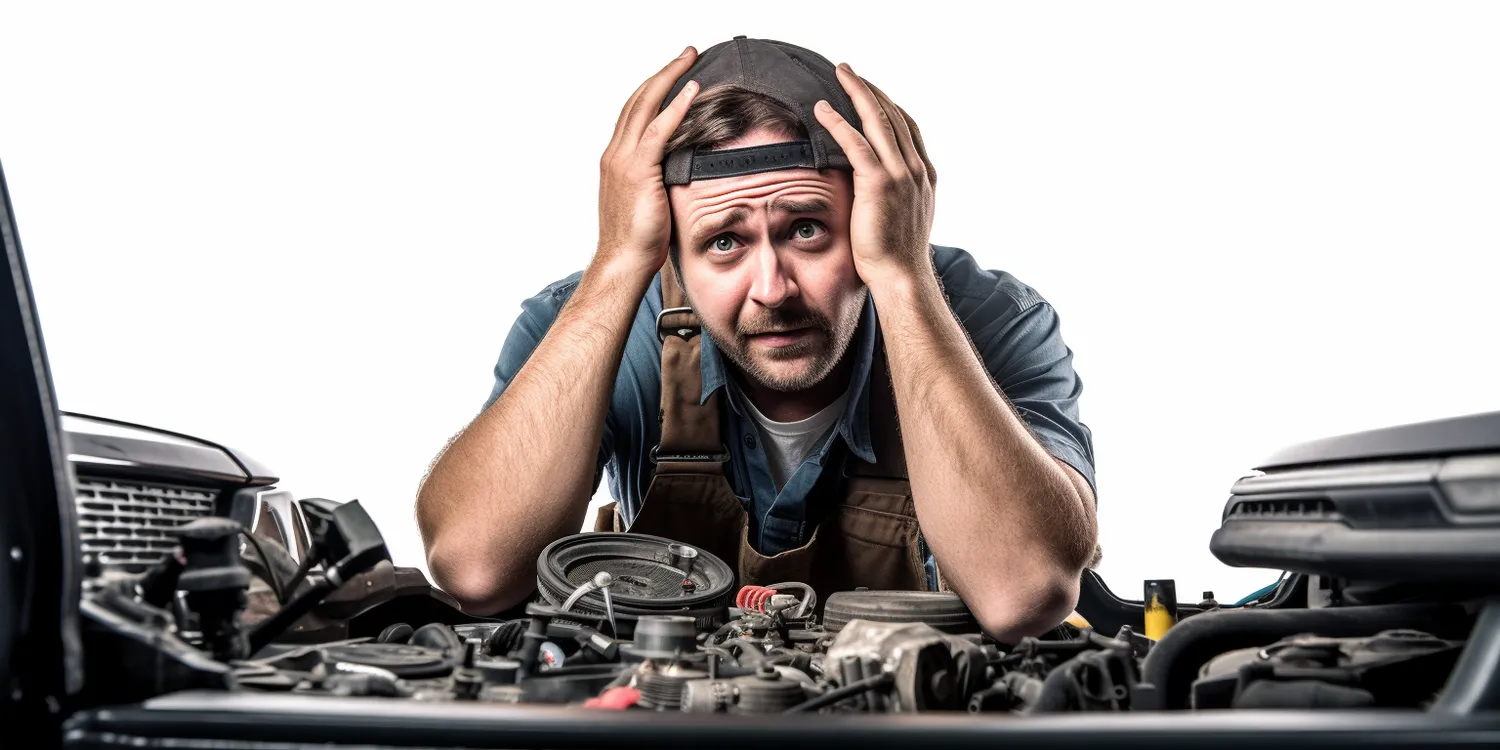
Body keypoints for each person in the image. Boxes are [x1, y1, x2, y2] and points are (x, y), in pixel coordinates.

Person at [416, 37, 1098, 644]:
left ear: (877, 214)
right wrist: (618, 263)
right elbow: (476, 570)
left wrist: (902, 276)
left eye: (807, 229)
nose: (773, 289)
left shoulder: (991, 320)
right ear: (670, 250)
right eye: (724, 242)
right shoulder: (589, 321)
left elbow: (1023, 593)